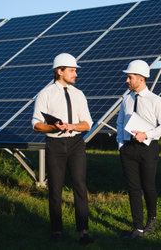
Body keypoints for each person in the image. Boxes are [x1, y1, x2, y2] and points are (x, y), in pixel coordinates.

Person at [32, 53, 94, 245]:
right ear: (60, 71)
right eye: (72, 70)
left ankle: (83, 231)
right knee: (55, 189)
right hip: (55, 144)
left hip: (75, 143)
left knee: (80, 186)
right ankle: (56, 230)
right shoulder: (45, 94)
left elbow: (88, 124)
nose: (76, 74)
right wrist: (53, 127)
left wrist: (72, 126)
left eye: (75, 70)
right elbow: (35, 124)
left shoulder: (79, 94)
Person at [116, 60, 161, 240]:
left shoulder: (156, 101)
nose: (127, 80)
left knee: (148, 186)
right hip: (128, 149)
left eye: (130, 77)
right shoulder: (126, 100)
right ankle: (137, 228)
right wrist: (121, 145)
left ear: (140, 79)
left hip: (148, 148)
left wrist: (146, 135)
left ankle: (151, 219)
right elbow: (120, 123)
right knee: (133, 189)